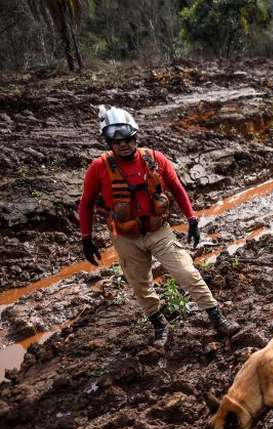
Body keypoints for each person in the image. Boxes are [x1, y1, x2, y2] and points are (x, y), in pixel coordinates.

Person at [79, 106, 239, 345]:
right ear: (108, 142)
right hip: (126, 237)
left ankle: (217, 318)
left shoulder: (156, 159)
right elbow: (87, 203)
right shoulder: (98, 168)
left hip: (158, 231)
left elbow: (176, 188)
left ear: (135, 137)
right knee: (141, 285)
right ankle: (159, 325)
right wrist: (86, 238)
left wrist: (192, 219)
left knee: (186, 272)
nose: (123, 145)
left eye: (128, 139)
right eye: (116, 141)